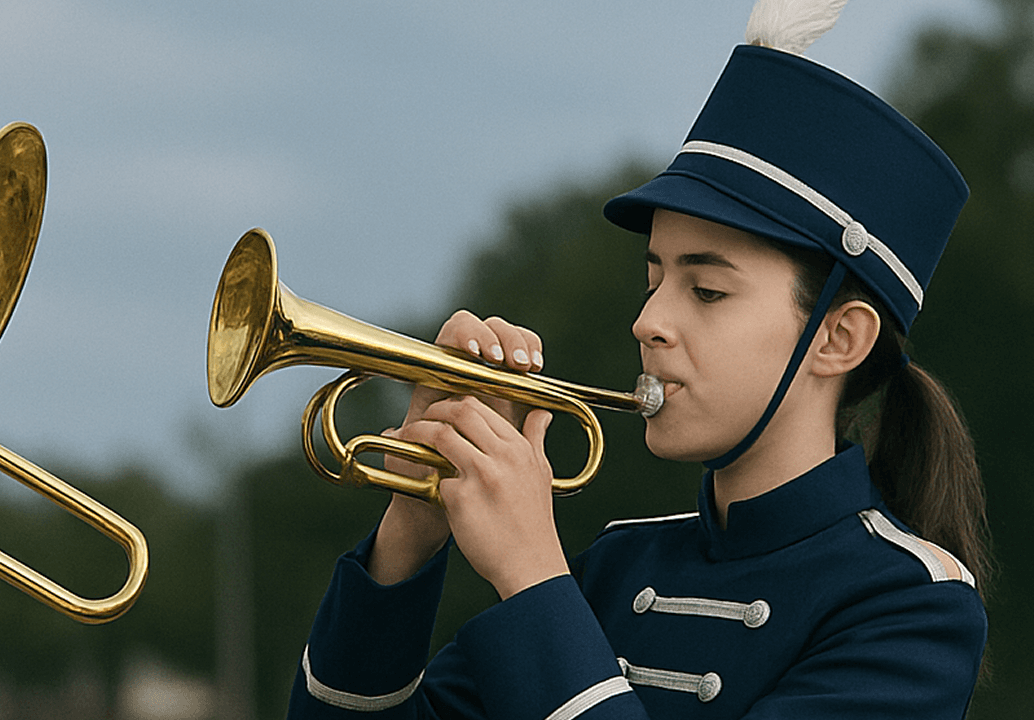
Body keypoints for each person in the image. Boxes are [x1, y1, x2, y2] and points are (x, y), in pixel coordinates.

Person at [285, 1, 990, 717]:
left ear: (840, 339)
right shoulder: (617, 568)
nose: (648, 322)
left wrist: (532, 576)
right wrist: (410, 532)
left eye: (707, 290)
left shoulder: (911, 608)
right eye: (653, 279)